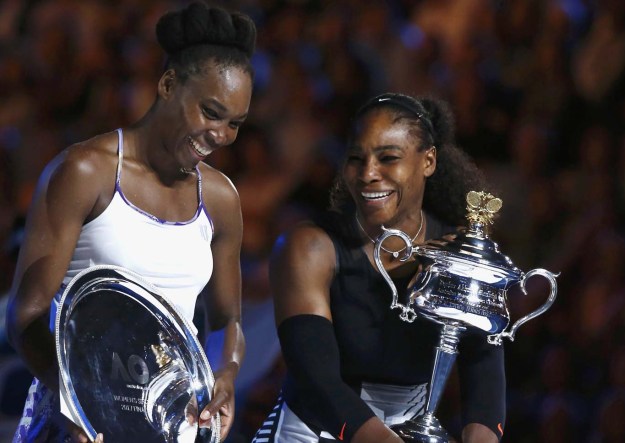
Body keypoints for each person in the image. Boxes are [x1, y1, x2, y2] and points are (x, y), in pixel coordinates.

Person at [5, 2, 256, 442]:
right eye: (210, 112)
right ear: (168, 83)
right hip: (78, 423)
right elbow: (26, 314)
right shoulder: (85, 171)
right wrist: (78, 405)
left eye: (235, 123)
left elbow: (227, 319)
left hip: (169, 424)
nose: (221, 134)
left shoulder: (220, 198)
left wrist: (227, 374)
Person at [252, 93, 506, 442]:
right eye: (357, 158)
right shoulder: (309, 247)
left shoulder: (460, 252)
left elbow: (484, 368)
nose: (368, 173)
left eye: (388, 158)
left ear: (428, 161)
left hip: (409, 432)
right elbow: (316, 378)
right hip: (311, 430)